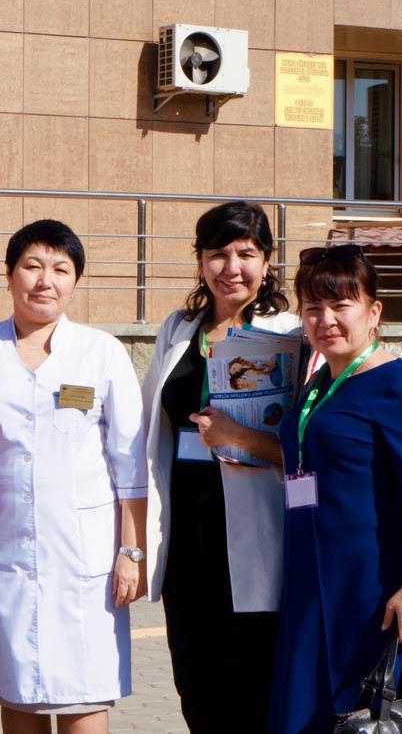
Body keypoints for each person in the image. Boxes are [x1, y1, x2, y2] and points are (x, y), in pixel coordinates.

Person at [0, 219, 146, 734]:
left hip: (84, 553)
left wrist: (131, 552)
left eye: (60, 269)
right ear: (8, 274)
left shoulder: (101, 352)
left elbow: (131, 466)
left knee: (85, 694)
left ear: (76, 280)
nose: (45, 281)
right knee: (17, 692)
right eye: (32, 266)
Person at [270, 245, 402, 733]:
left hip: (370, 593)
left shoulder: (400, 386)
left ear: (373, 312)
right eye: (313, 307)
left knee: (370, 717)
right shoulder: (318, 384)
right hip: (309, 582)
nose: (325, 319)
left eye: (340, 305)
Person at [138, 201, 294, 733]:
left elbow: (306, 443)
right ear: (200, 261)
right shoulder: (179, 329)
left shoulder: (290, 333)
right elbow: (151, 426)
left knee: (254, 682)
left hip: (259, 528)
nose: (232, 267)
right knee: (196, 681)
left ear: (267, 261)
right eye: (218, 254)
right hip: (189, 532)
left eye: (246, 254)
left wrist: (239, 438)